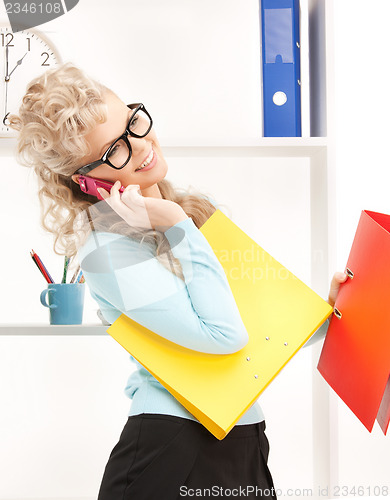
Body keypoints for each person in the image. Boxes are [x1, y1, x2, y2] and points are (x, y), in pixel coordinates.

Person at [8, 62, 347, 500]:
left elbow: (256, 337)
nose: (141, 144)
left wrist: (327, 313)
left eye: (133, 122)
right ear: (88, 181)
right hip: (171, 447)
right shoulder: (107, 254)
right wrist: (176, 224)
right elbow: (223, 335)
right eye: (116, 150)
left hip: (243, 435)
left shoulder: (188, 208)